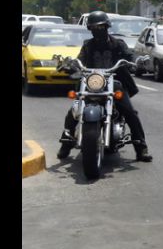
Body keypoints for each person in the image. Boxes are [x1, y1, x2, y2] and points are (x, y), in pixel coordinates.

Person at [57, 11, 153, 162]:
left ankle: (141, 147)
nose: (98, 30)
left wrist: (135, 63)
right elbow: (80, 60)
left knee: (130, 112)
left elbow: (129, 56)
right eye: (94, 27)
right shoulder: (88, 45)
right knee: (74, 110)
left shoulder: (118, 44)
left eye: (101, 27)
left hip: (114, 83)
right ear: (90, 29)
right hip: (92, 83)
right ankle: (66, 143)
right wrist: (72, 66)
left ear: (107, 27)